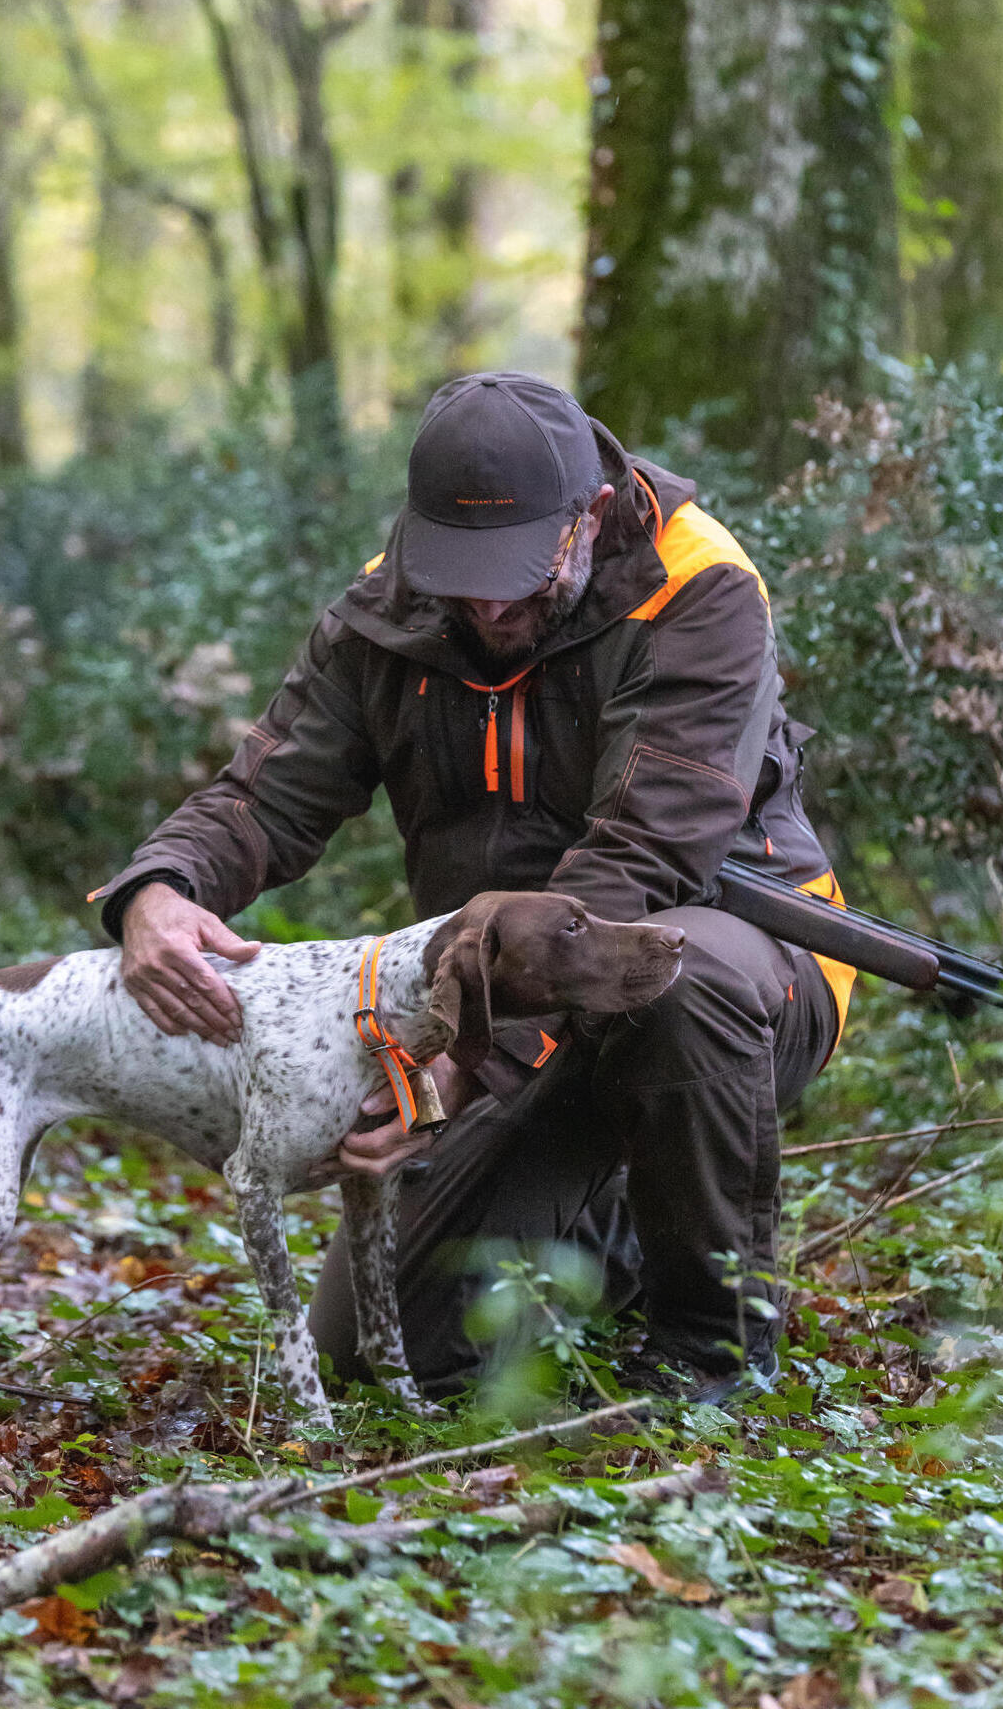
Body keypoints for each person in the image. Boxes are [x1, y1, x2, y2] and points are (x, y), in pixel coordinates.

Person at [89, 372, 855, 1405]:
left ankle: (710, 1350)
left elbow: (642, 858)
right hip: (492, 998)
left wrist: (459, 1059)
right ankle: (616, 1216)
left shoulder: (698, 587)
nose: (488, 604)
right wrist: (160, 884)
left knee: (683, 985)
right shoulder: (386, 604)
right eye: (462, 572)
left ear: (589, 514)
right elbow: (268, 794)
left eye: (518, 574)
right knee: (375, 1349)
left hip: (717, 965)